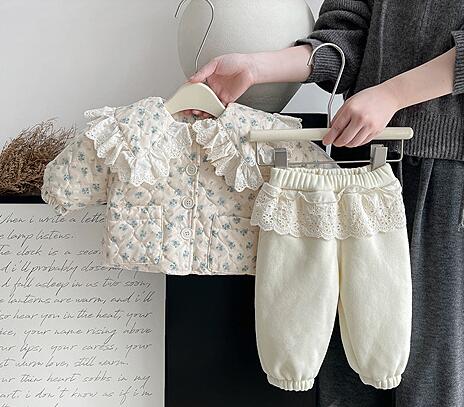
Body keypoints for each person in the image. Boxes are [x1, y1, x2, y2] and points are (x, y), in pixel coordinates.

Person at [184, 2, 464, 407]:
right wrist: (256, 67)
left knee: (431, 375)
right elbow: (346, 35)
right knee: (344, 375)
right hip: (358, 161)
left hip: (448, 176)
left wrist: (391, 95)